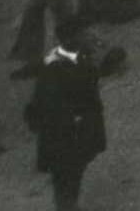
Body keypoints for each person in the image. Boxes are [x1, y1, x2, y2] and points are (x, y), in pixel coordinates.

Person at [26, 29, 107, 211]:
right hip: (63, 133)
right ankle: (67, 206)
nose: (88, 37)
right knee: (65, 174)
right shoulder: (53, 67)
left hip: (80, 128)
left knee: (76, 169)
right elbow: (46, 105)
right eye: (83, 34)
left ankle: (69, 204)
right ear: (69, 39)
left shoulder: (82, 57)